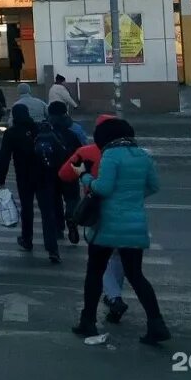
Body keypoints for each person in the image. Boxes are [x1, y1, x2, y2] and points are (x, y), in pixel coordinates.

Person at [70, 117, 171, 344]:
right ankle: (156, 323)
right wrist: (132, 199)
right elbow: (154, 186)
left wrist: (83, 175)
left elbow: (103, 188)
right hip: (135, 224)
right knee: (136, 275)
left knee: (95, 273)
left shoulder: (111, 155)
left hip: (107, 225)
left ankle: (88, 321)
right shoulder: (143, 155)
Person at [59, 114, 130, 325]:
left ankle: (113, 298)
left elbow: (64, 174)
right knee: (119, 257)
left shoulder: (87, 152)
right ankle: (114, 295)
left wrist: (85, 176)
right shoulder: (131, 153)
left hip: (97, 210)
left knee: (100, 260)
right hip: (129, 211)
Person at [0, 104, 63, 263]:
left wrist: (1, 180)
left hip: (24, 177)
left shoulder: (11, 133)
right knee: (47, 212)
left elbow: (4, 157)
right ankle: (52, 248)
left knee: (27, 209)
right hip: (44, 176)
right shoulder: (39, 128)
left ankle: (27, 239)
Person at [46, 100, 88, 245]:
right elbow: (84, 148)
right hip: (71, 168)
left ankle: (58, 228)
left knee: (54, 199)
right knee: (72, 198)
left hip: (50, 170)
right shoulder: (75, 128)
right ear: (65, 112)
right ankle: (71, 220)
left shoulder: (46, 128)